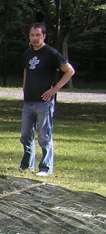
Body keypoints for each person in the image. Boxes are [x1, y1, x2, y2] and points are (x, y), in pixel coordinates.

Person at [19, 22, 75, 176]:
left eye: (38, 35)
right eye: (32, 35)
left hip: (44, 103)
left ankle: (45, 167)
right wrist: (24, 86)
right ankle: (26, 165)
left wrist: (54, 89)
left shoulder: (51, 53)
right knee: (25, 136)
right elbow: (26, 70)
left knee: (44, 136)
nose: (35, 38)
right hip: (28, 101)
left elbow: (69, 71)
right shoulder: (28, 53)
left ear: (44, 36)